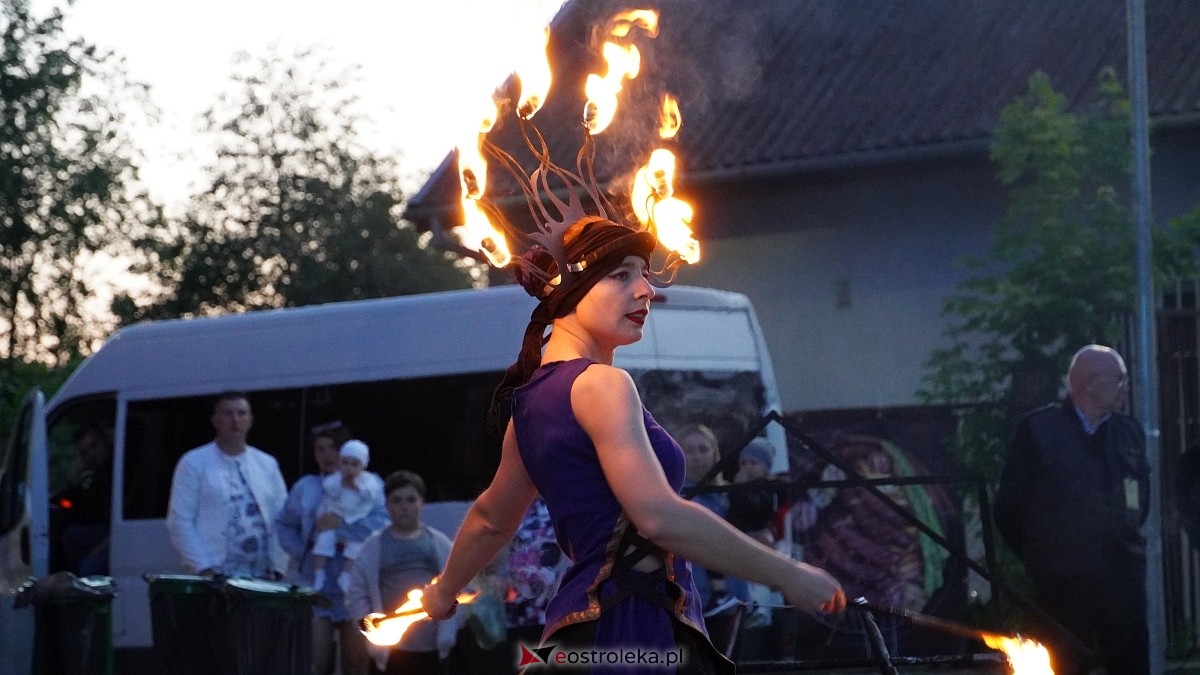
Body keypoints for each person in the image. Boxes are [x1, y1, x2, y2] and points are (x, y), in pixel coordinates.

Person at [419, 217, 846, 674]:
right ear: (568, 287)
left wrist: (444, 591)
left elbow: (490, 519)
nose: (644, 290)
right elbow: (658, 517)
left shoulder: (530, 403)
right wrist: (790, 575)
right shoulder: (603, 386)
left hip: (581, 634)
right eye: (620, 274)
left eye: (642, 273)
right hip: (631, 628)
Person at [994, 344, 1149, 675]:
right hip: (1062, 584)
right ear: (1088, 383)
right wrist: (1045, 556)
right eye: (1118, 379)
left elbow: (1140, 500)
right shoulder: (1038, 431)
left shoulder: (1128, 432)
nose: (1126, 386)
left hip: (1121, 581)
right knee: (1065, 664)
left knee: (1130, 663)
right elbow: (1009, 508)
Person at [277, 422, 388, 675]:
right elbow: (284, 524)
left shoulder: (370, 485)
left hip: (356, 583)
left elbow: (381, 524)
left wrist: (339, 527)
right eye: (320, 449)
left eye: (332, 449)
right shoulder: (307, 487)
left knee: (356, 661)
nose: (327, 455)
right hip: (318, 583)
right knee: (318, 660)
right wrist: (301, 553)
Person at [345, 470, 459, 675]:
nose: (404, 507)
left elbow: (458, 585)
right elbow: (357, 590)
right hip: (390, 652)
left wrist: (451, 628)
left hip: (433, 648)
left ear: (421, 503)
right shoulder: (373, 546)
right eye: (396, 501)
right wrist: (364, 623)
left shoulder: (438, 544)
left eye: (410, 499)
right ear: (387, 505)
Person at [166, 391, 289, 579]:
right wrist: (204, 568)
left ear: (250, 420)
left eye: (241, 413)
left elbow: (283, 518)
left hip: (263, 576)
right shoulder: (194, 462)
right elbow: (180, 521)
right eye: (228, 413)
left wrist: (279, 566)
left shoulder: (267, 464)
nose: (235, 420)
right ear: (215, 421)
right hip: (217, 576)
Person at [311, 439, 385, 593]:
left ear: (363, 466)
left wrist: (355, 486)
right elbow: (330, 490)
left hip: (355, 517)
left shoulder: (370, 482)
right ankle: (319, 573)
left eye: (354, 464)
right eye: (345, 463)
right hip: (334, 513)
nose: (349, 468)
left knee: (355, 549)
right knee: (322, 544)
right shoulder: (334, 480)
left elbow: (371, 501)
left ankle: (346, 575)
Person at [55, 423, 113, 576]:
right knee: (71, 536)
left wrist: (104, 545)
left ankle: (85, 588)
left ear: (105, 441)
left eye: (94, 446)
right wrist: (73, 481)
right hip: (106, 529)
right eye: (84, 453)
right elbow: (85, 512)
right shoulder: (100, 475)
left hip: (119, 534)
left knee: (89, 568)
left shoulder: (117, 469)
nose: (91, 454)